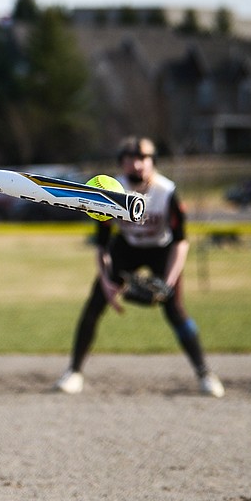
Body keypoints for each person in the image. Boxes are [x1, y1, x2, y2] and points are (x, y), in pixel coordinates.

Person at [54, 136, 224, 398]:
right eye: (130, 158)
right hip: (127, 247)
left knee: (175, 310)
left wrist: (167, 283)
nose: (137, 164)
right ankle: (73, 372)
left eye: (143, 158)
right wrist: (107, 283)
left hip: (161, 249)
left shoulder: (166, 192)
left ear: (152, 162)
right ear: (122, 163)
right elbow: (102, 243)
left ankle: (205, 374)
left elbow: (180, 242)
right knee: (95, 304)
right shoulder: (112, 191)